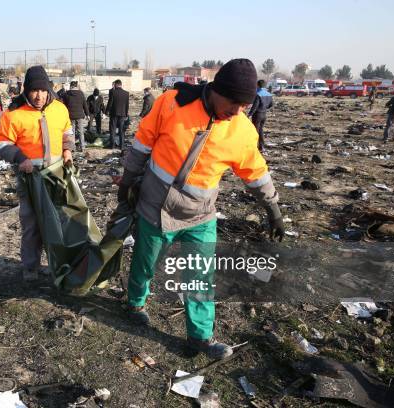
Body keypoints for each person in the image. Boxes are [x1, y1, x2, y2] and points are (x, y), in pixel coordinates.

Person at [117, 59, 284, 360]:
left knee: (199, 275)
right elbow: (142, 144)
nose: (236, 112)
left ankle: (200, 337)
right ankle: (136, 303)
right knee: (145, 262)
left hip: (200, 215)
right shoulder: (172, 104)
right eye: (233, 103)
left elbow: (255, 172)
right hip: (157, 206)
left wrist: (273, 208)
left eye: (244, 106)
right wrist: (127, 181)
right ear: (216, 90)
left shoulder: (242, 130)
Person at [0, 66, 74, 281]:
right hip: (30, 178)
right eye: (34, 91)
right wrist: (20, 158)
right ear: (26, 91)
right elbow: (0, 143)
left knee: (58, 222)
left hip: (56, 175)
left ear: (49, 90)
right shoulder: (14, 114)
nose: (39, 96)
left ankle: (58, 264)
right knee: (32, 224)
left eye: (43, 90)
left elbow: (67, 132)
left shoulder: (59, 108)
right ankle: (30, 266)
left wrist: (67, 150)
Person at [247, 80, 274, 151]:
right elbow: (271, 104)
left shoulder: (258, 94)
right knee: (261, 130)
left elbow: (255, 106)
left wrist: (249, 114)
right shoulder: (269, 94)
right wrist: (264, 108)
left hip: (257, 115)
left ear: (258, 85)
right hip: (264, 115)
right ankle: (262, 146)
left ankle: (254, 147)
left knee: (255, 130)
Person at [63, 81, 89, 151]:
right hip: (80, 115)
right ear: (76, 86)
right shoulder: (81, 93)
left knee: (72, 132)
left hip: (70, 116)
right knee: (81, 131)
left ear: (71, 86)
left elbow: (64, 106)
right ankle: (82, 147)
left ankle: (73, 148)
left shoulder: (66, 94)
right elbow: (85, 105)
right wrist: (87, 114)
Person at [105, 79, 129, 149]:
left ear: (115, 84)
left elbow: (110, 103)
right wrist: (126, 114)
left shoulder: (113, 92)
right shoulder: (126, 93)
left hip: (114, 114)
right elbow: (127, 105)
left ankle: (112, 146)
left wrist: (106, 112)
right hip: (122, 114)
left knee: (113, 130)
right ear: (121, 84)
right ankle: (121, 146)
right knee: (121, 131)